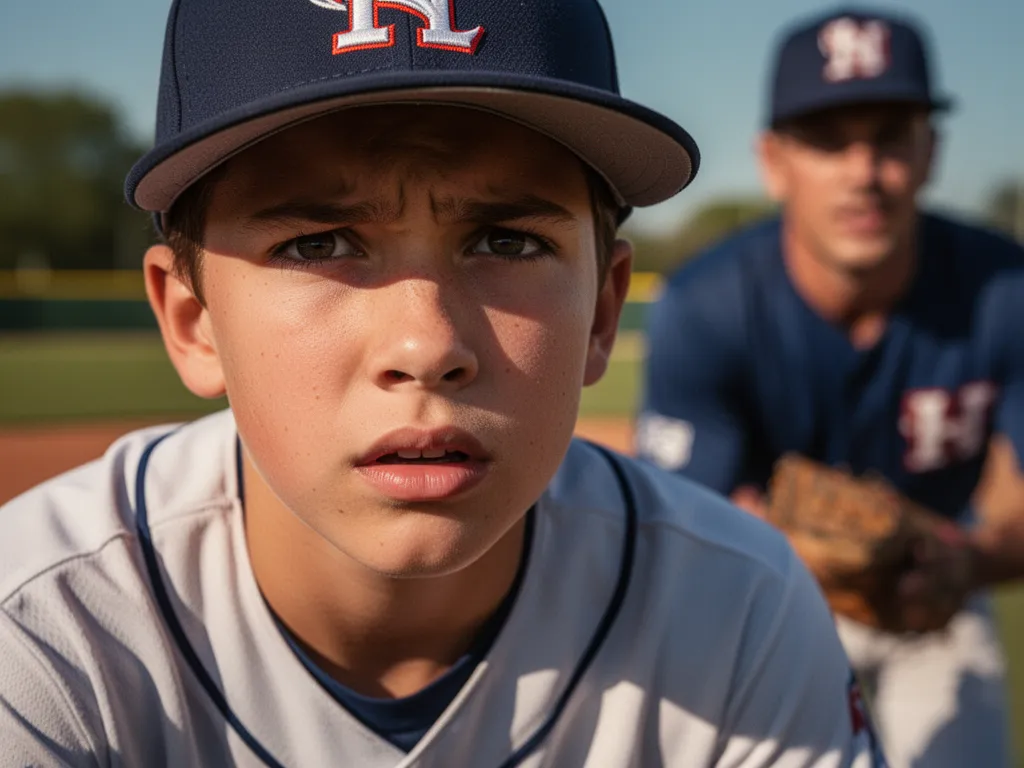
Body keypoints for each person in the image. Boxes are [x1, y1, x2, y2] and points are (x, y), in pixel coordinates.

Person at [0, 1, 892, 766]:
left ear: (601, 313)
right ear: (193, 321)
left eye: (506, 241)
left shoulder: (737, 610)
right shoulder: (41, 631)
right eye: (317, 244)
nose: (426, 345)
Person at [638, 7, 1024, 768]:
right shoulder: (707, 304)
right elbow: (678, 532)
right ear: (773, 161)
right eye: (826, 140)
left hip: (939, 597)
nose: (863, 172)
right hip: (765, 594)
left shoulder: (1006, 289)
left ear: (930, 151)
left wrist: (970, 561)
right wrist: (778, 550)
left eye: (889, 137)